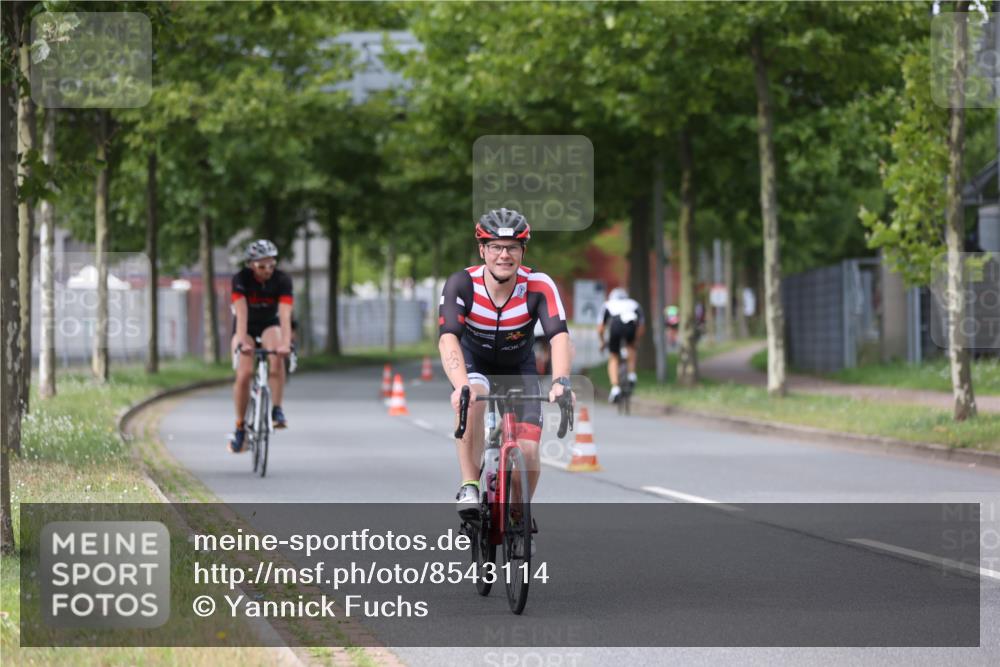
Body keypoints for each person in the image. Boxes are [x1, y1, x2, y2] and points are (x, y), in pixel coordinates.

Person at [438, 208, 573, 522]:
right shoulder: (462, 284)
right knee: (471, 399)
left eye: (512, 247)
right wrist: (461, 386)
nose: (504, 255)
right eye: (496, 247)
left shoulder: (538, 285)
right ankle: (470, 484)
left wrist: (561, 381)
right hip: (473, 362)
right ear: (482, 250)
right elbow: (448, 339)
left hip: (518, 365)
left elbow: (559, 337)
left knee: (527, 450)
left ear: (522, 251)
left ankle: (517, 515)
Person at [228, 239, 293, 453]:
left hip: (268, 325)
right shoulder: (241, 279)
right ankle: (240, 427)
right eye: (262, 266)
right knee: (244, 373)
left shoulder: (282, 280)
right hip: (245, 326)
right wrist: (241, 341)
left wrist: (285, 344)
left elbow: (284, 314)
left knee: (277, 358)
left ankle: (276, 409)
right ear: (251, 265)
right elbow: (241, 312)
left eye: (271, 265)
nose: (267, 270)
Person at [597, 287, 645, 403]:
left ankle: (615, 388)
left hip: (616, 326)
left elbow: (601, 328)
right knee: (631, 348)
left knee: (613, 357)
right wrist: (636, 341)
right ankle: (632, 375)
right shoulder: (634, 304)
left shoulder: (607, 304)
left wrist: (602, 341)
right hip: (631, 325)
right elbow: (642, 326)